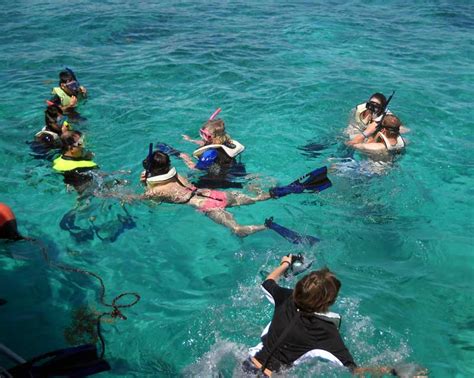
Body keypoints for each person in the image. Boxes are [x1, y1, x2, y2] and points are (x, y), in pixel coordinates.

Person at [244, 255, 401, 376]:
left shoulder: (285, 297)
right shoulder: (325, 331)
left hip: (247, 365)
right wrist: (393, 370)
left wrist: (285, 264)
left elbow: (268, 282)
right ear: (327, 304)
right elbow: (356, 370)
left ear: (299, 287)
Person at [123, 150, 331, 237]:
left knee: (238, 229)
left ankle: (266, 226)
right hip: (214, 194)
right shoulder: (176, 174)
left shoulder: (157, 190)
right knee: (257, 198)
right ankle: (284, 191)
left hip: (206, 206)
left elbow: (144, 201)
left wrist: (130, 191)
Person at [180, 118, 247, 188]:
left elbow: (196, 170)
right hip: (234, 171)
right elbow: (207, 143)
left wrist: (187, 159)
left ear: (210, 137)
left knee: (186, 183)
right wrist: (191, 140)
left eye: (204, 134)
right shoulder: (227, 142)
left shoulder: (209, 154)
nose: (202, 137)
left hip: (216, 180)